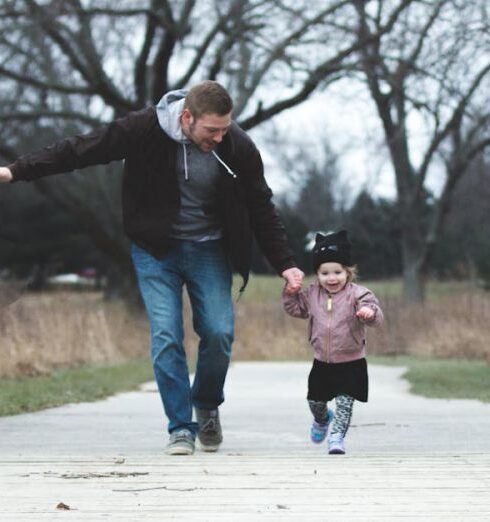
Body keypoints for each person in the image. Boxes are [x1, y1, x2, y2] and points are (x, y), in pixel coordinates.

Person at [0, 80, 304, 455]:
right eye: (212, 130)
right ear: (187, 117)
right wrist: (16, 171)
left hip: (209, 249)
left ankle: (207, 403)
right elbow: (81, 149)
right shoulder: (143, 129)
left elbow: (261, 206)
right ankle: (180, 427)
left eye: (225, 129)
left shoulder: (237, 145)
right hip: (155, 250)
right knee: (166, 336)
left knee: (220, 333)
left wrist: (286, 265)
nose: (219, 138)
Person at [282, 230, 383, 454]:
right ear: (317, 274)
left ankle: (337, 438)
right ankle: (323, 418)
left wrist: (369, 312)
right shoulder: (311, 295)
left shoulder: (358, 295)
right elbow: (295, 309)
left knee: (345, 404)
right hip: (322, 362)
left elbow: (376, 314)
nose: (332, 278)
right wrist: (290, 293)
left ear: (348, 272)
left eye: (337, 272)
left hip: (351, 362)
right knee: (315, 402)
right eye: (325, 273)